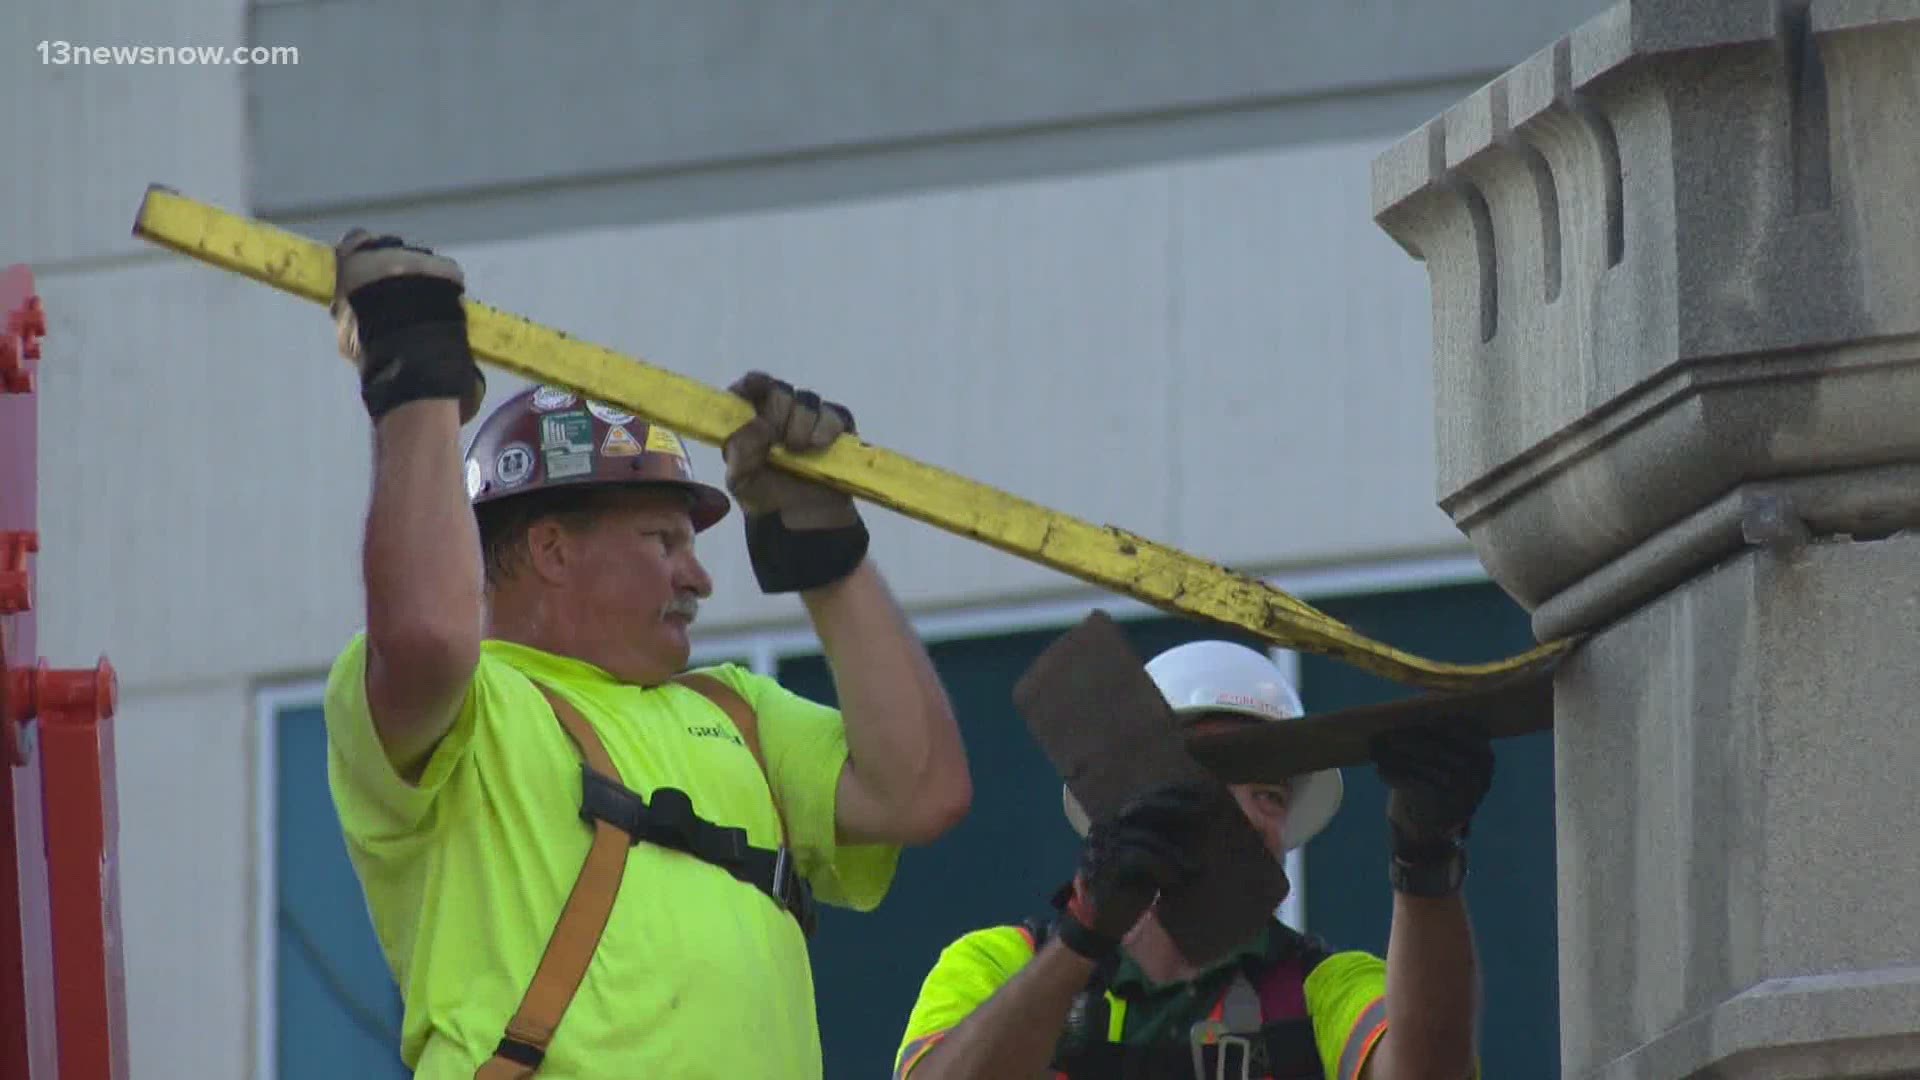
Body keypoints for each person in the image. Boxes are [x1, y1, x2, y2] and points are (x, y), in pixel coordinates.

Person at [317, 229, 973, 1078]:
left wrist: (829, 555)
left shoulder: (733, 713)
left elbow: (922, 793)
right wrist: (417, 391)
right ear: (552, 550)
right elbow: (430, 634)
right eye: (663, 540)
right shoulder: (469, 713)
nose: (698, 576)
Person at [893, 640, 1492, 1079]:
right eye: (1235, 784)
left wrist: (1425, 862)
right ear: (1140, 793)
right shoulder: (1001, 964)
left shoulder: (1317, 989)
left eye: (1273, 796)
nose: (1260, 818)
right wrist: (1083, 936)